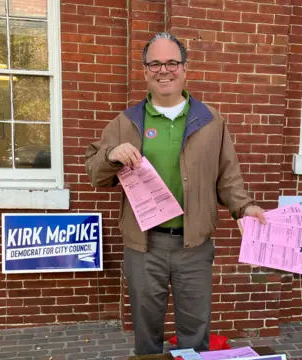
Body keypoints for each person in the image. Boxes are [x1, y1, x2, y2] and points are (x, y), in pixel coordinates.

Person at [84, 32, 265, 355]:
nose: (163, 70)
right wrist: (111, 154)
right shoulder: (126, 122)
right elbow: (95, 174)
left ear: (185, 69)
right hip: (144, 245)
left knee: (195, 330)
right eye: (155, 63)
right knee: (146, 331)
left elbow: (228, 178)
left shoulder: (210, 121)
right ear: (144, 71)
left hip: (193, 246)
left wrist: (245, 208)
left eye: (171, 63)